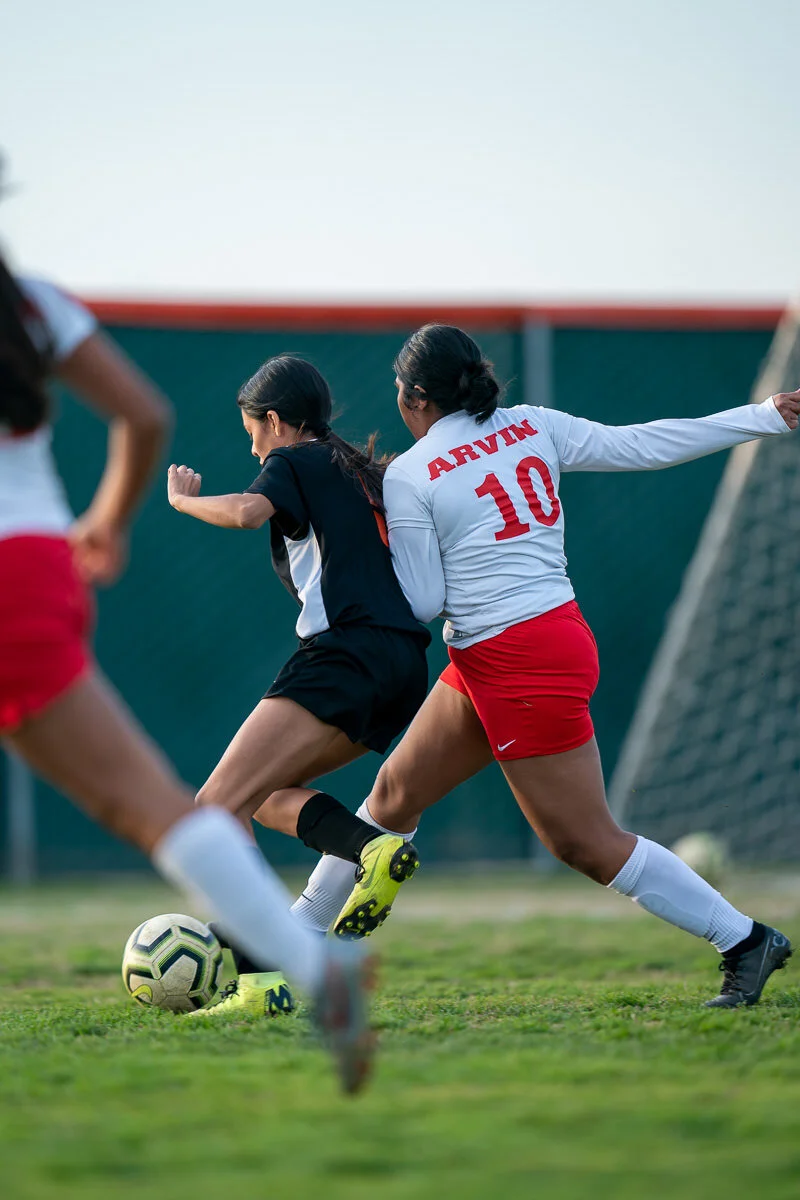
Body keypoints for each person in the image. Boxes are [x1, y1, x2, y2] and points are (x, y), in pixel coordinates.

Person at [294, 322, 799, 1010]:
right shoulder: (530, 423)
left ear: (415, 398)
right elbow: (643, 444)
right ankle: (294, 943)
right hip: (532, 640)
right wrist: (762, 415)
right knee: (394, 795)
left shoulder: (412, 472)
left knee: (584, 842)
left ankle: (745, 940)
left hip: (516, 658)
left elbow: (423, 601)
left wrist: (358, 554)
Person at [0, 246, 372, 1092]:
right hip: (36, 569)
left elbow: (238, 500)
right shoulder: (30, 302)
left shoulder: (295, 465)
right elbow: (143, 414)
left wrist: (162, 505)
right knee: (156, 806)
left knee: (203, 800)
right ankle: (320, 974)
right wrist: (107, 522)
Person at [165, 354, 429, 1016]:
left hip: (344, 656)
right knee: (259, 797)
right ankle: (370, 848)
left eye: (253, 430)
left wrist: (184, 501)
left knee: (214, 810)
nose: (254, 447)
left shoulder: (293, 460)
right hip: (403, 665)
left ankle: (260, 979)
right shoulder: (356, 469)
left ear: (277, 421)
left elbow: (248, 513)